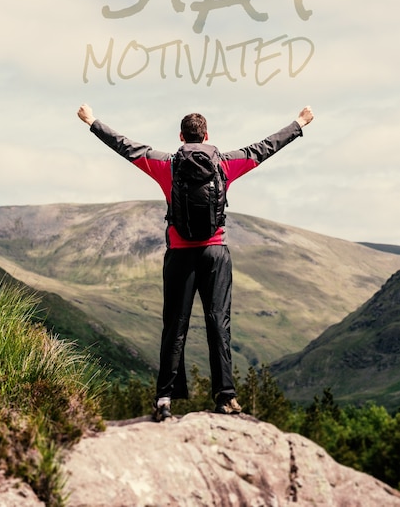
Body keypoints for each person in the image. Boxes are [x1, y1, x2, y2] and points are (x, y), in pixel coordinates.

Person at [77, 104, 314, 421]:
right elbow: (265, 147)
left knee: (175, 327)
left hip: (179, 255)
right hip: (215, 253)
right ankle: (226, 398)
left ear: (181, 136)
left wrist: (92, 121)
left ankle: (164, 400)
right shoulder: (226, 164)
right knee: (219, 324)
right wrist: (299, 123)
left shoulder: (166, 165)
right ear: (206, 136)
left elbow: (125, 145)